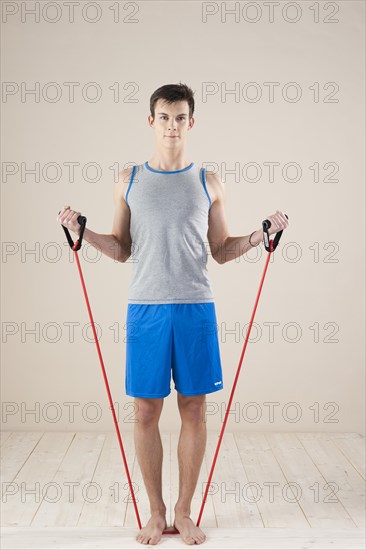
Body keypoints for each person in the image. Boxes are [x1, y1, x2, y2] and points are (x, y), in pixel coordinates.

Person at [57, 83, 289, 545]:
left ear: (191, 122)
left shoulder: (209, 181)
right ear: (151, 121)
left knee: (195, 411)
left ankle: (183, 511)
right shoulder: (128, 179)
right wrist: (82, 231)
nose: (172, 125)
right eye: (164, 117)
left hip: (195, 308)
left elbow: (221, 251)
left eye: (180, 117)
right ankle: (155, 511)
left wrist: (259, 237)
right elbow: (122, 248)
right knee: (145, 411)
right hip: (145, 310)